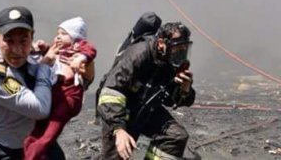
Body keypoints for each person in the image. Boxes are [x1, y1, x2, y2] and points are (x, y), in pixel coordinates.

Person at [96, 22, 196, 160]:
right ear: (161, 43)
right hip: (121, 110)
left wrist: (185, 89)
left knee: (176, 136)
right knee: (116, 156)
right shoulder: (139, 54)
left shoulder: (170, 62)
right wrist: (118, 128)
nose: (181, 53)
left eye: (185, 48)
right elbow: (111, 90)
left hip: (146, 108)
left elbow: (172, 100)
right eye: (178, 48)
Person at [0, 6, 59, 160]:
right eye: (8, 41)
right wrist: (45, 65)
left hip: (38, 140)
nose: (17, 50)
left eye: (23, 40)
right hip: (10, 151)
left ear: (32, 36)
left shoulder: (33, 55)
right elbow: (39, 109)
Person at [24, 17, 97, 160]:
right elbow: (49, 56)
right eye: (58, 33)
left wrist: (81, 59)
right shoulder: (58, 49)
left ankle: (35, 151)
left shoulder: (78, 47)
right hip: (55, 93)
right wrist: (44, 48)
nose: (58, 37)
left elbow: (91, 51)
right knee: (40, 127)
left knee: (51, 131)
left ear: (75, 36)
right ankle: (31, 146)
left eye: (63, 34)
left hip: (69, 95)